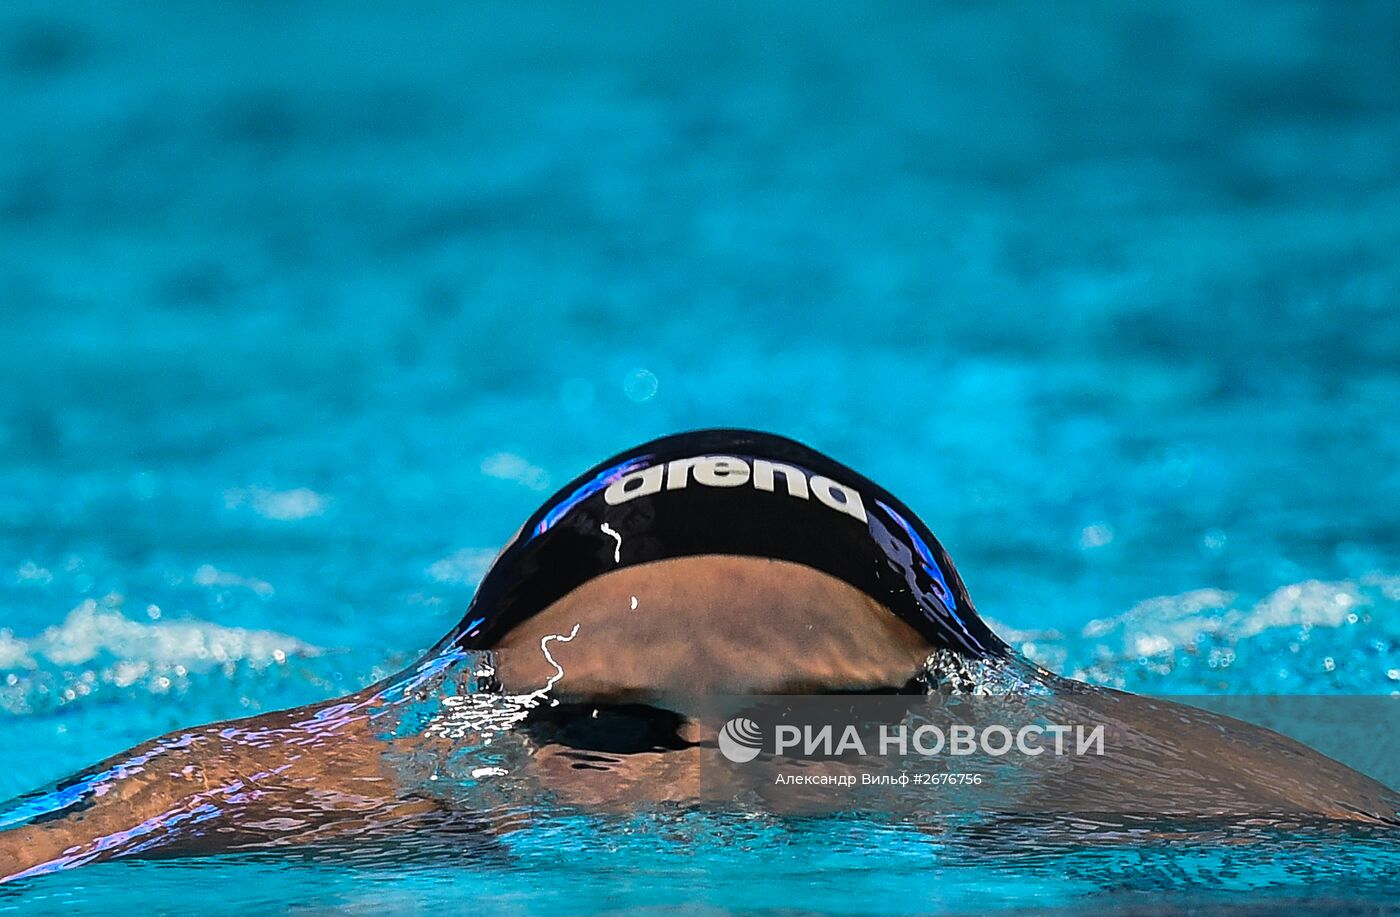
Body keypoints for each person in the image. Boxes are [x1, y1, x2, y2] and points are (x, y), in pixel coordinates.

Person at [2, 430, 1395, 881]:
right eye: (605, 732)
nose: (707, 804)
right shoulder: (366, 778)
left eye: (815, 730)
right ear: (467, 716)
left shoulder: (1075, 775)